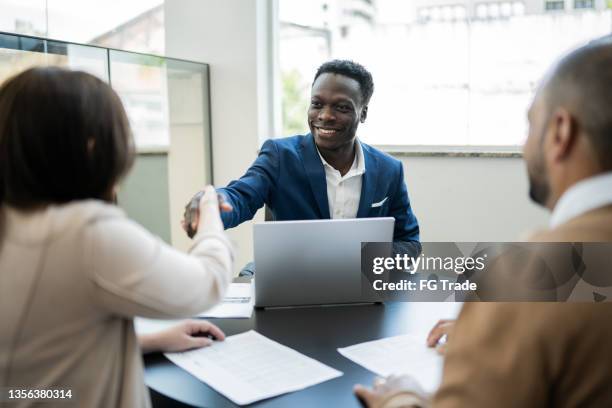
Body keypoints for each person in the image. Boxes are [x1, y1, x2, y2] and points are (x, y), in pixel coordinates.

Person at [354, 37, 612, 407]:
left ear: (560, 133)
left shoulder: (528, 278)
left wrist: (404, 398)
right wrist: (504, 334)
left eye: (530, 126)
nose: (525, 146)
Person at [0, 67, 233, 407]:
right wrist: (209, 210)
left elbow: (39, 353)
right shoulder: (85, 232)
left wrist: (146, 341)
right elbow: (209, 282)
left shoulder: (13, 222)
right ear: (92, 146)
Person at [184, 60, 421, 270]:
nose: (325, 115)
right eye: (317, 104)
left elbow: (410, 244)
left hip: (359, 288)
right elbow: (240, 196)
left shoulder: (389, 170)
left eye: (341, 107)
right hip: (288, 279)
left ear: (363, 113)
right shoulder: (280, 155)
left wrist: (357, 258)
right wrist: (212, 205)